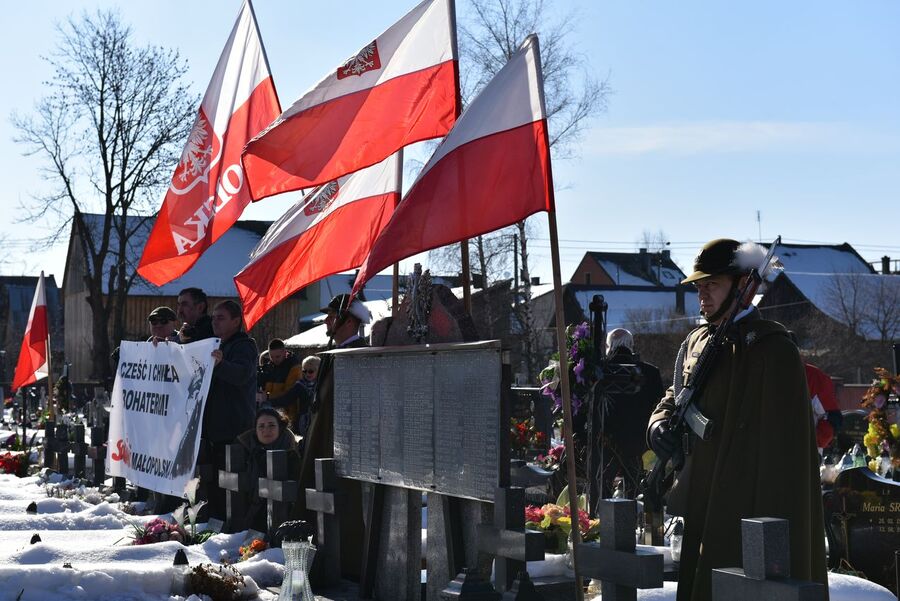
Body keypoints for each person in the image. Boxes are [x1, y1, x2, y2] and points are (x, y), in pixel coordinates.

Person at [647, 239, 828, 601]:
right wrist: (658, 426)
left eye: (712, 284)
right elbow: (675, 394)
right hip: (701, 495)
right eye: (699, 286)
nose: (703, 295)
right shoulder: (697, 341)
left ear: (746, 287)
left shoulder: (772, 348)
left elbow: (784, 453)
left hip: (746, 506)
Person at [293, 293, 370, 580]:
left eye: (332, 316)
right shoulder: (335, 354)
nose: (327, 320)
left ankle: (346, 567)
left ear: (348, 321)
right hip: (322, 445)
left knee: (344, 514)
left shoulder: (356, 356)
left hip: (341, 452)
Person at [201, 299, 258, 520]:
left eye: (221, 317)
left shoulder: (244, 345)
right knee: (213, 483)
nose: (215, 321)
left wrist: (221, 365)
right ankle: (216, 524)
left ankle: (232, 527)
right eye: (213, 317)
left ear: (236, 321)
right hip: (214, 430)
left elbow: (242, 374)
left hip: (234, 430)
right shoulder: (215, 345)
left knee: (232, 487)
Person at [591, 328, 664, 500]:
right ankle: (634, 521)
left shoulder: (599, 372)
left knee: (603, 488)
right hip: (638, 441)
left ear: (609, 346)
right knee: (636, 489)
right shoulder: (650, 372)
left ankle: (601, 521)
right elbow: (659, 407)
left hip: (607, 440)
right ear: (631, 345)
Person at [236, 406, 301, 533]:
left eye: (271, 425)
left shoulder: (292, 453)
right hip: (253, 518)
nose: (266, 430)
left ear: (280, 427)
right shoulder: (247, 452)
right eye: (261, 426)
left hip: (286, 519)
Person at [258, 339, 302, 424]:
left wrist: (266, 397)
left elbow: (289, 396)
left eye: (278, 356)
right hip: (271, 412)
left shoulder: (294, 368)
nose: (274, 360)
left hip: (287, 416)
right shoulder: (269, 367)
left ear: (285, 353)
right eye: (272, 357)